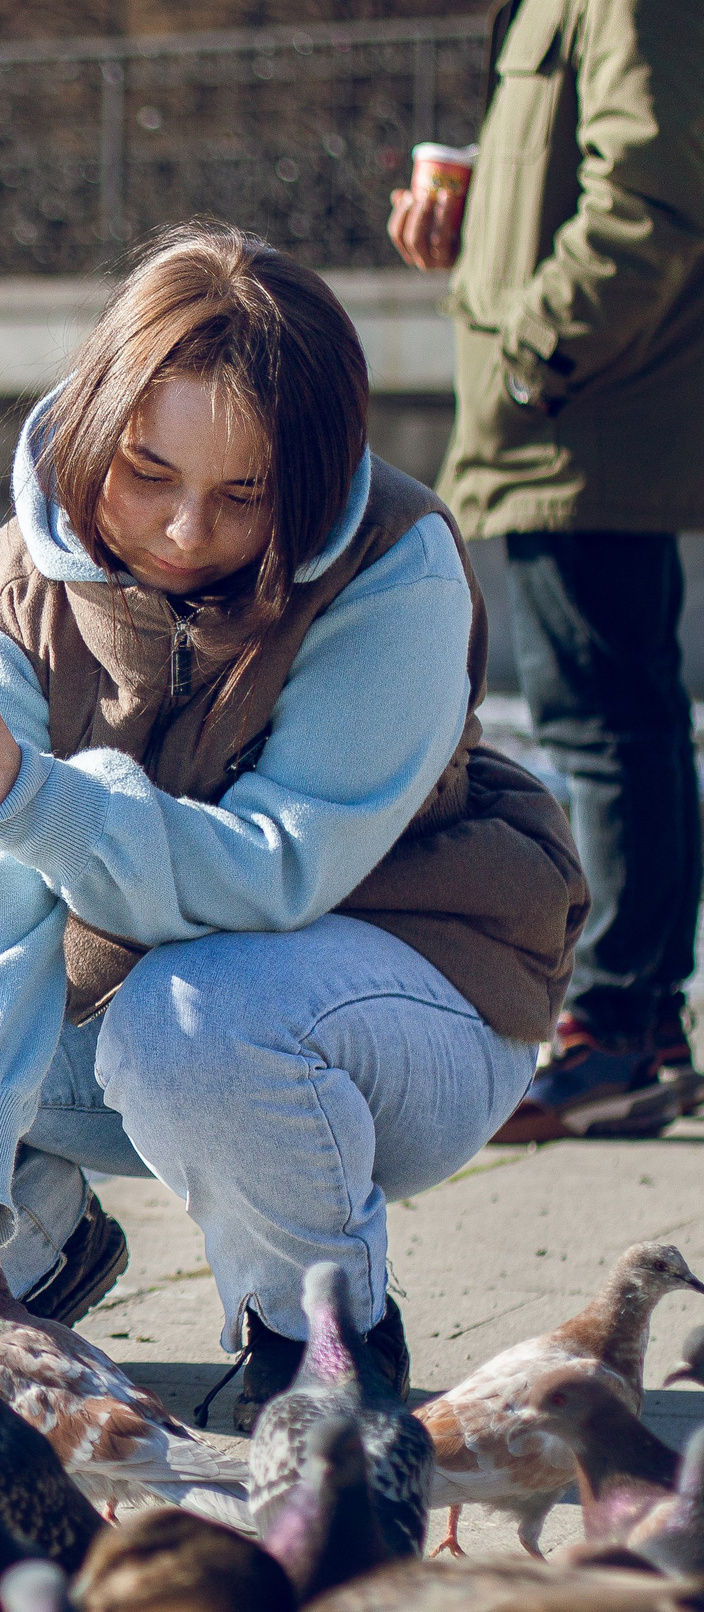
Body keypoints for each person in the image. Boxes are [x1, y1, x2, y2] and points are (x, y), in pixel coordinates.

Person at [0, 223, 586, 1431]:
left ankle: (321, 1329)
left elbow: (277, 872)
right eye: (146, 472)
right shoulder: (9, 586)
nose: (187, 532)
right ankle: (36, 1256)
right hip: (134, 969)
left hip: (417, 980)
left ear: (314, 475)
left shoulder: (397, 572)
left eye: (244, 495)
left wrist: (27, 794)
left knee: (199, 1017)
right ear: (91, 425)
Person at [388, 0, 704, 1143]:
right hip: (575, 415)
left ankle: (615, 1024)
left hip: (580, 418)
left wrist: (534, 353)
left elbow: (651, 192)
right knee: (626, 716)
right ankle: (643, 1023)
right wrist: (467, 231)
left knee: (604, 724)